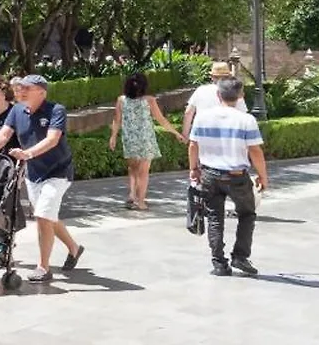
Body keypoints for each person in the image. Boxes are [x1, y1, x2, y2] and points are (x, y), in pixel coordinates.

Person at [0, 73, 83, 282]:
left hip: (58, 172)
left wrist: (27, 153)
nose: (20, 91)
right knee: (47, 215)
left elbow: (53, 139)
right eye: (20, 88)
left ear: (41, 92)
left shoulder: (56, 110)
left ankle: (43, 268)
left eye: (26, 88)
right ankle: (74, 247)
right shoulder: (17, 110)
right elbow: (4, 133)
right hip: (34, 174)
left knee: (42, 216)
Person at [188, 77, 268, 277]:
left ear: (218, 94)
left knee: (214, 217)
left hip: (209, 174)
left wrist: (194, 169)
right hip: (236, 176)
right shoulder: (246, 119)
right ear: (240, 96)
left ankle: (219, 263)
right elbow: (255, 151)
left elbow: (193, 145)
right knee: (247, 213)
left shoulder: (202, 117)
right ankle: (240, 256)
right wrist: (262, 176)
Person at [108, 72, 186, 211]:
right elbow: (161, 120)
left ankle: (132, 194)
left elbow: (117, 120)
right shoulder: (149, 100)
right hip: (146, 139)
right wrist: (175, 132)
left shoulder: (121, 100)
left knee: (133, 168)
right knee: (143, 172)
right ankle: (141, 201)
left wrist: (113, 136)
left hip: (129, 138)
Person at [180, 61, 244, 143]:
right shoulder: (234, 91)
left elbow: (188, 113)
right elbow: (242, 114)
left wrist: (185, 134)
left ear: (212, 77)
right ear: (228, 76)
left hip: (203, 136)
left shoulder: (200, 90)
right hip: (229, 137)